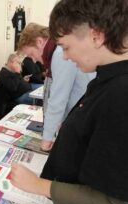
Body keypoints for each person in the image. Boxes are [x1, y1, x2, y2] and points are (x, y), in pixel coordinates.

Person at [11, 0, 128, 204]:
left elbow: (118, 201)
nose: (64, 57)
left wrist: (38, 185)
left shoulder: (121, 93)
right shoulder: (106, 77)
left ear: (97, 36)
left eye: (66, 47)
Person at [18, 23, 95, 151]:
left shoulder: (59, 54)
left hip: (80, 120)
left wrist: (47, 138)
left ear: (39, 41)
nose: (34, 60)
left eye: (31, 54)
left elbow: (58, 99)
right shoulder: (56, 52)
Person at [0, 53, 32, 118]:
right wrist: (17, 73)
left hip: (22, 94)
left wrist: (23, 79)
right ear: (12, 62)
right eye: (18, 63)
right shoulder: (4, 73)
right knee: (37, 99)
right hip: (8, 101)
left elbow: (16, 82)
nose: (20, 65)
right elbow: (13, 87)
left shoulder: (11, 72)